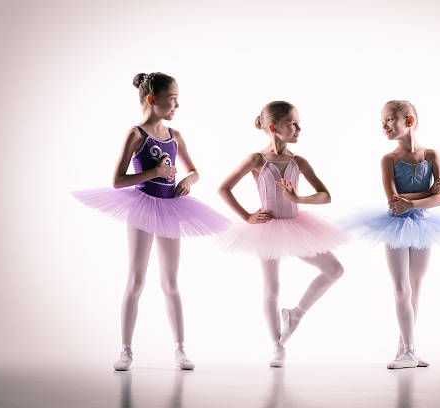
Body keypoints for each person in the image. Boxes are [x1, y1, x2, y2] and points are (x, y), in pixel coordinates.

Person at [72, 72, 229, 371]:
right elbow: (118, 181)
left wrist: (188, 181)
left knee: (171, 282)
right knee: (136, 279)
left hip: (171, 206)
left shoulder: (176, 136)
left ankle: (181, 350)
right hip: (142, 205)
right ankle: (126, 350)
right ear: (151, 100)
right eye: (172, 100)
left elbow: (195, 171)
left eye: (177, 100)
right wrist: (154, 174)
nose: (177, 105)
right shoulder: (136, 134)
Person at [217, 101, 347, 367]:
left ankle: (296, 314)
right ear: (274, 128)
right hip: (267, 227)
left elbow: (326, 196)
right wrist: (247, 216)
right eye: (293, 124)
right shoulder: (256, 159)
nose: (299, 128)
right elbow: (224, 188)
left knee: (334, 269)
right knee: (272, 287)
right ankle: (277, 345)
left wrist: (298, 197)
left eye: (298, 123)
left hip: (297, 225)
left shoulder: (299, 162)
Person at [345, 100, 440, 369]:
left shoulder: (432, 156)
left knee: (416, 289)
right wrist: (426, 195)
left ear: (408, 121)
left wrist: (414, 202)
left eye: (389, 119)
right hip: (395, 227)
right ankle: (408, 351)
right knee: (401, 287)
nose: (384, 125)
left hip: (424, 225)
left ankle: (406, 350)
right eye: (382, 121)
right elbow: (394, 202)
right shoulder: (389, 159)